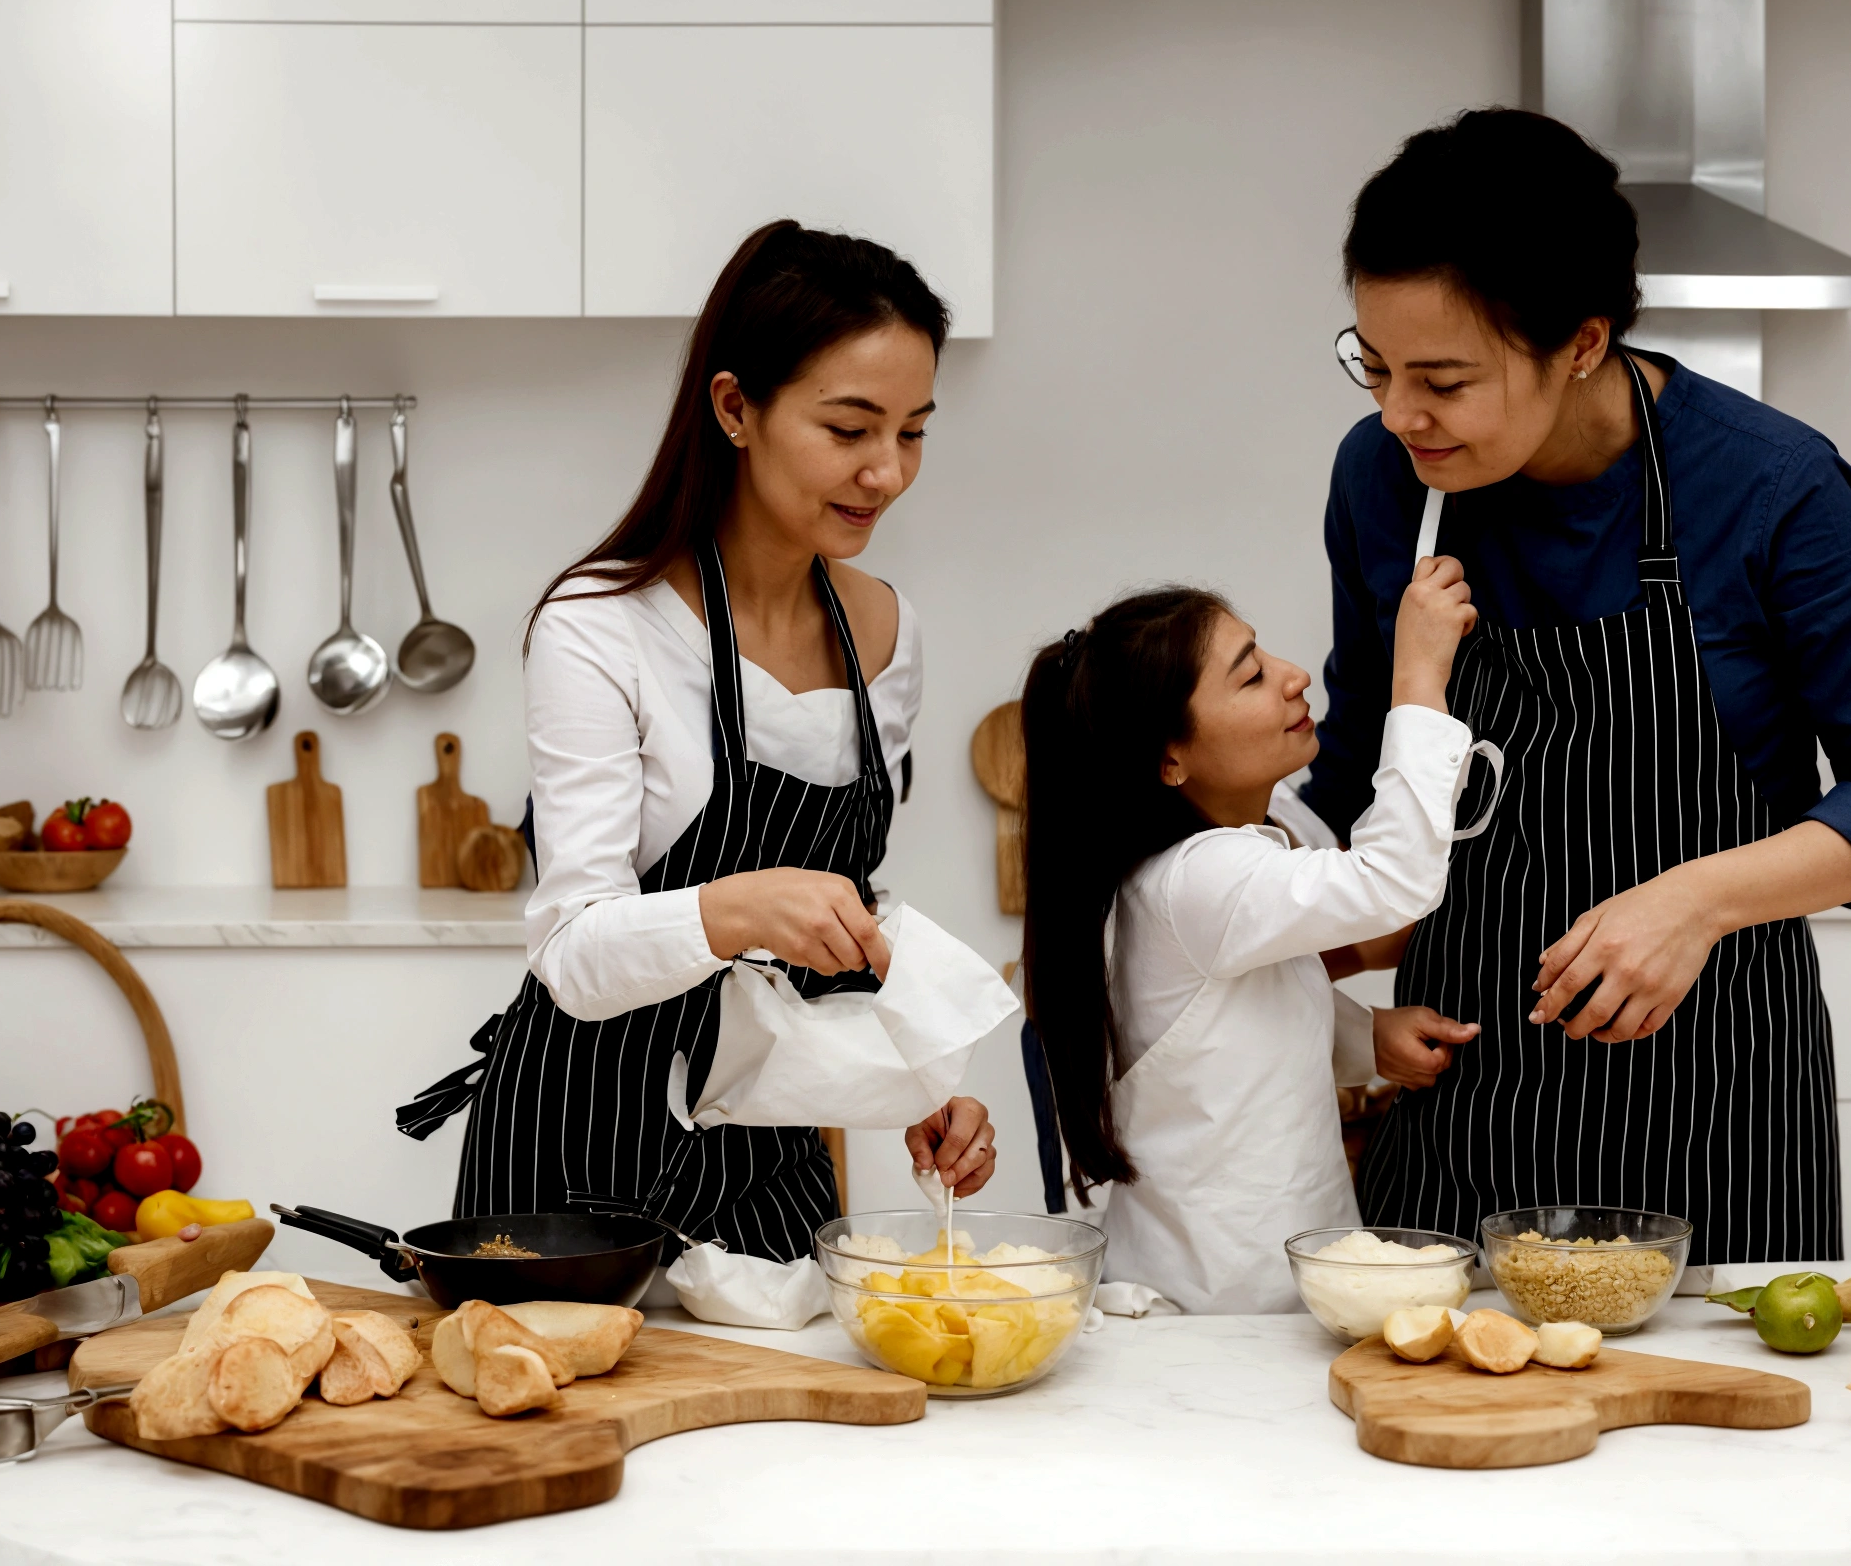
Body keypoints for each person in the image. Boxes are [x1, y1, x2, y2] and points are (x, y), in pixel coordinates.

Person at [1305, 110, 1851, 1267]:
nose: (1395, 414)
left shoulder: (1769, 487)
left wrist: (1692, 901)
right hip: (1464, 1074)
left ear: (1580, 342)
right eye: (1372, 365)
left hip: (1713, 1087)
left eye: (1443, 379)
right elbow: (1357, 765)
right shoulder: (1385, 478)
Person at [400, 221, 996, 1264]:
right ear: (735, 408)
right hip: (576, 1152)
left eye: (912, 431)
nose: (886, 472)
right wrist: (736, 907)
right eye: (849, 428)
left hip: (766, 1152)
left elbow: (844, 918)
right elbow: (572, 950)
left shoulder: (886, 632)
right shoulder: (599, 623)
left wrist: (914, 1074)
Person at [1018, 564, 1477, 1312]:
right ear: (1170, 759)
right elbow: (1393, 879)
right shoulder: (1204, 875)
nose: (1294, 677)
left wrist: (1363, 1038)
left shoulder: (1195, 874)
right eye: (1252, 677)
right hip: (1223, 1310)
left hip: (1258, 1292)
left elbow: (1222, 1031)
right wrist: (1418, 676)